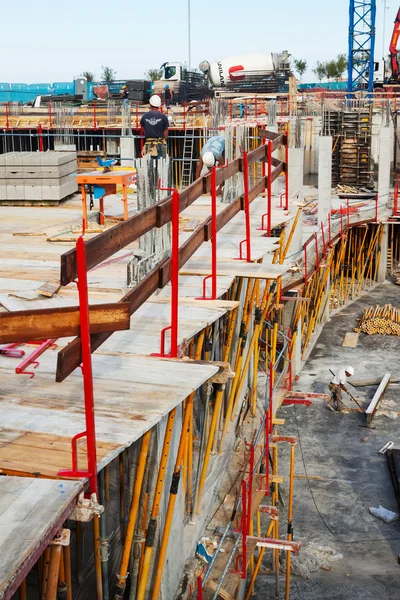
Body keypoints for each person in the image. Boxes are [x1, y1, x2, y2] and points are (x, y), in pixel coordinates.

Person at [140, 95, 169, 159]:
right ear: (159, 105)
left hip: (149, 145)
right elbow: (166, 132)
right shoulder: (163, 117)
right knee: (161, 165)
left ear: (150, 104)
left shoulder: (145, 116)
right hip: (160, 144)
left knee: (149, 165)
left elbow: (142, 129)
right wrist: (164, 141)